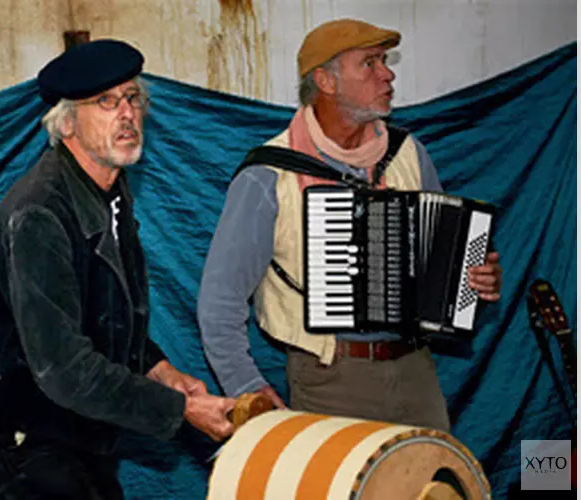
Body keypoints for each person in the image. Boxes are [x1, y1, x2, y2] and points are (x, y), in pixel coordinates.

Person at [198, 19, 503, 433]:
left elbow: (443, 269)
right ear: (325, 80)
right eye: (370, 63)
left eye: (384, 61)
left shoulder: (408, 153)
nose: (387, 73)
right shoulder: (268, 174)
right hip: (329, 377)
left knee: (435, 489)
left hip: (416, 370)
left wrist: (473, 285)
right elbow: (220, 301)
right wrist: (246, 386)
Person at [0, 39, 235, 499]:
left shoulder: (108, 192)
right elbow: (63, 367)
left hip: (80, 434)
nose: (126, 113)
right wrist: (178, 410)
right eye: (106, 102)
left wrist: (161, 370)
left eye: (132, 98)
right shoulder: (39, 216)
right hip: (28, 447)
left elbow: (105, 317)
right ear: (66, 121)